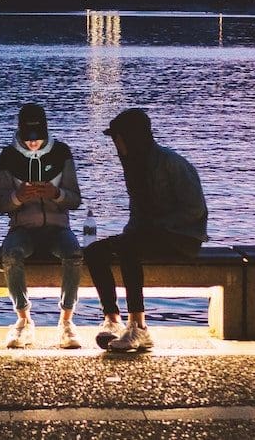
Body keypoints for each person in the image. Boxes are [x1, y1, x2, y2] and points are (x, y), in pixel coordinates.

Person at [84, 108, 208, 352]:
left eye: (118, 138)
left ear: (131, 137)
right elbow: (138, 211)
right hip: (148, 234)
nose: (116, 144)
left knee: (129, 249)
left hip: (183, 237)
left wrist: (158, 225)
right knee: (95, 251)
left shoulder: (172, 163)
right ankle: (112, 319)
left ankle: (138, 326)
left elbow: (195, 210)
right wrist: (132, 232)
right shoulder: (134, 164)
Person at [0, 103, 83, 349]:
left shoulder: (61, 153)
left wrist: (56, 194)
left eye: (38, 137)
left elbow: (75, 199)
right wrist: (18, 197)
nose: (33, 143)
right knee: (11, 254)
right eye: (28, 138)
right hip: (22, 228)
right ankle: (23, 319)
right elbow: (0, 203)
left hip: (58, 227)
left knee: (74, 253)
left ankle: (66, 321)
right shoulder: (8, 157)